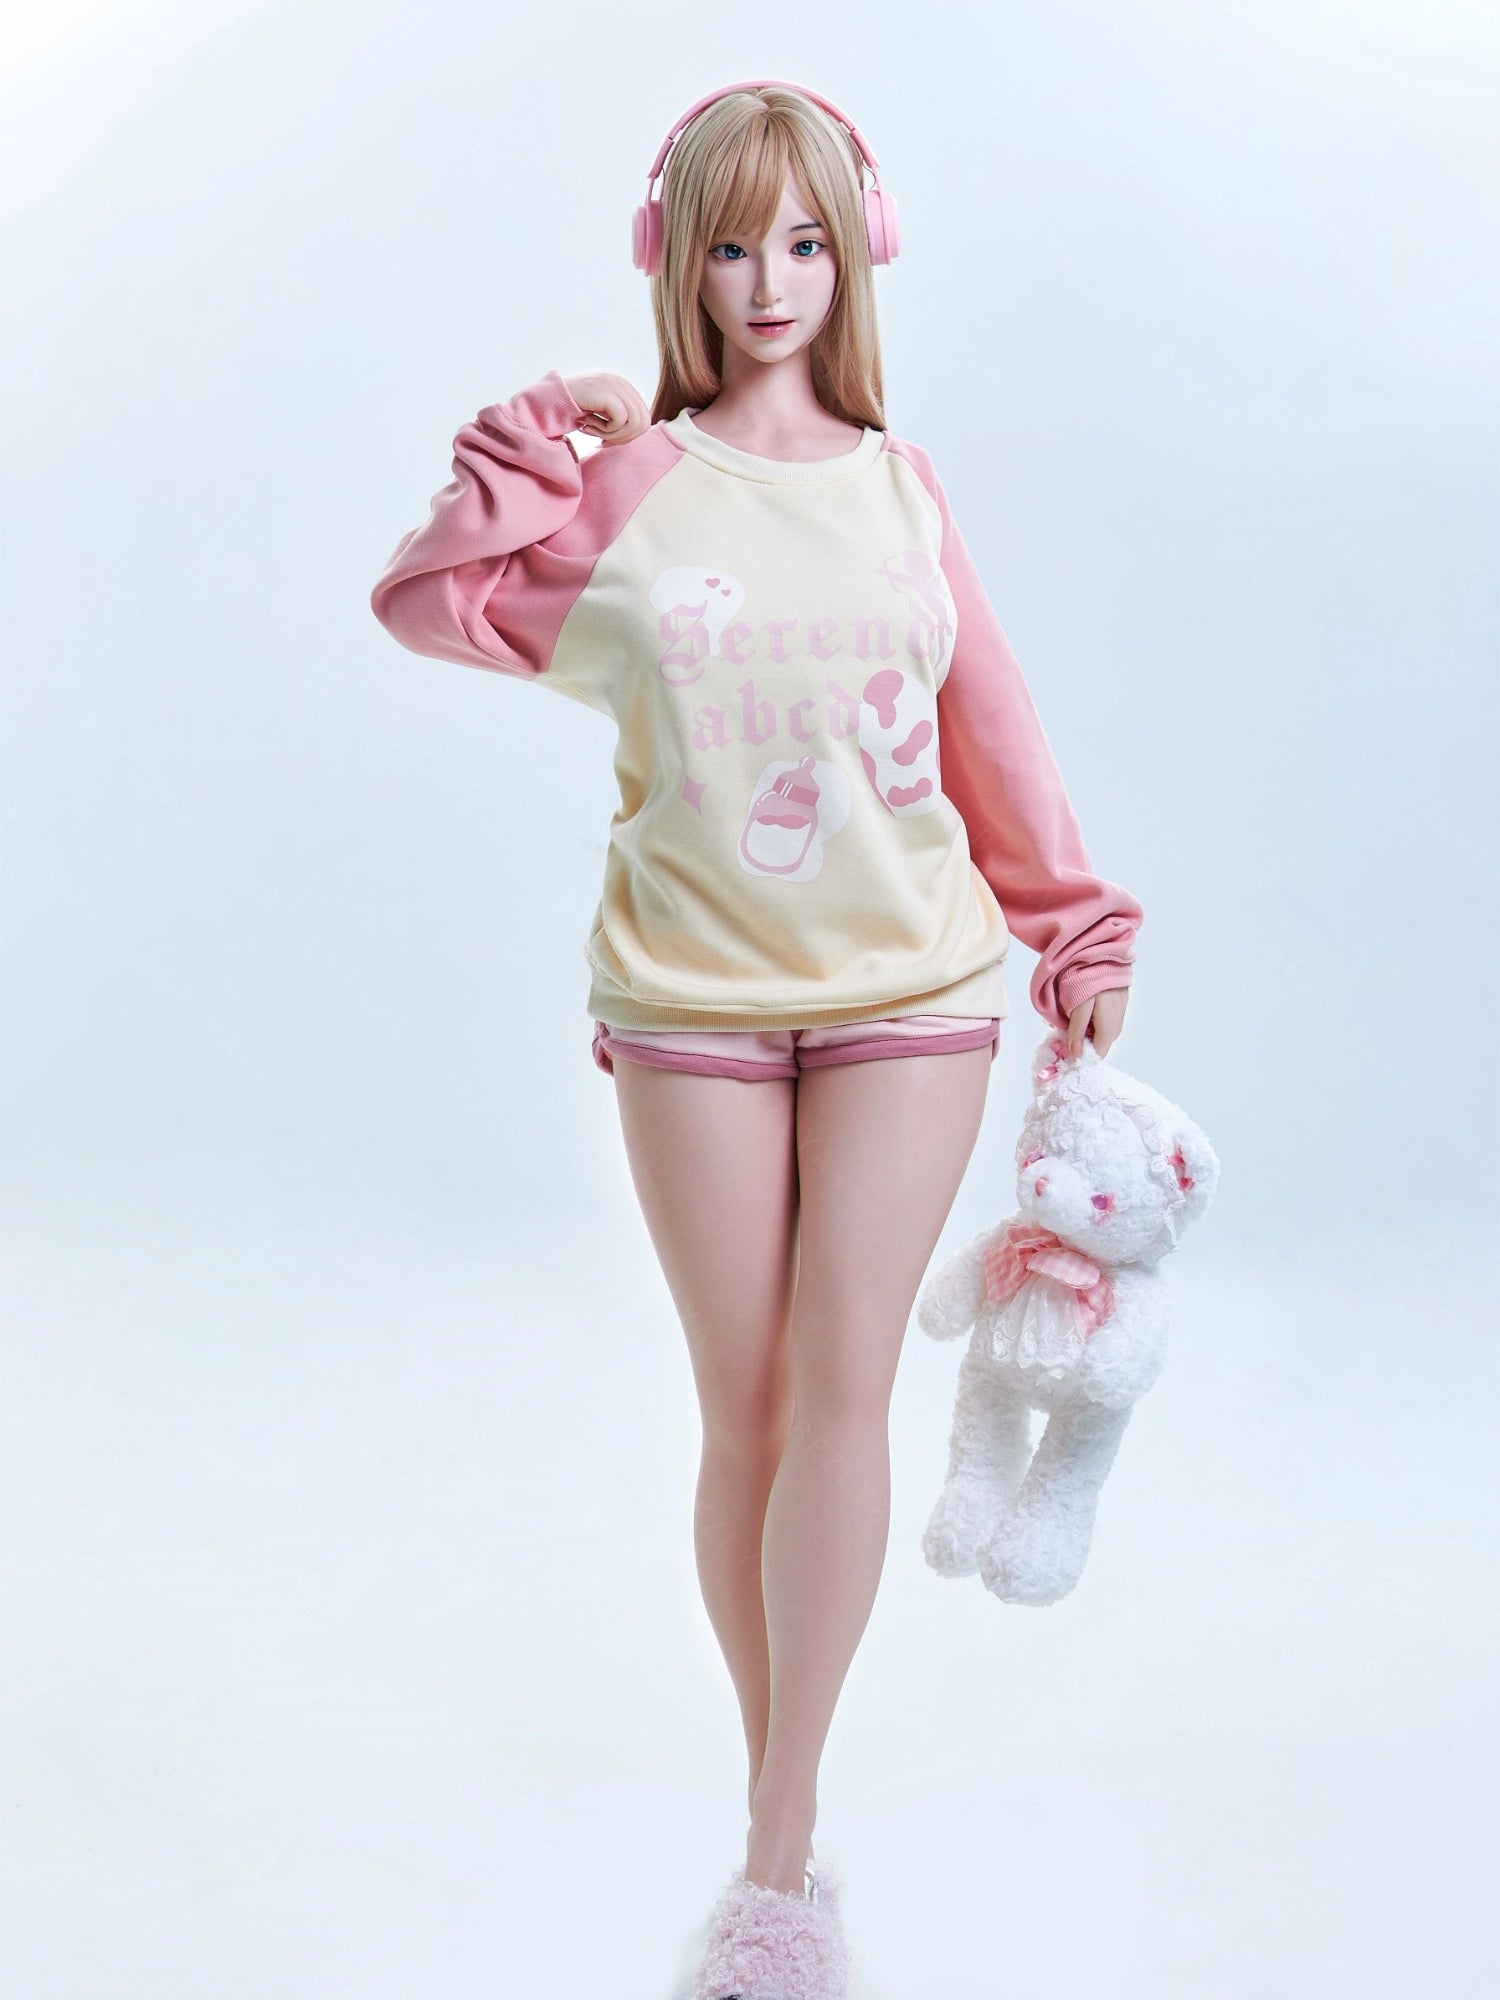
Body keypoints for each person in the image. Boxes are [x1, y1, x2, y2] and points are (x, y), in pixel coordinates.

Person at [370, 77, 1142, 1980]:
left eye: (805, 239)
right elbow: (431, 598)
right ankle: (774, 1812)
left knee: (844, 1376)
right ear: (675, 262)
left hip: (910, 994)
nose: (772, 278)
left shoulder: (900, 487)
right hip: (688, 999)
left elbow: (991, 728)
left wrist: (1072, 927)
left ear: (859, 250)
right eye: (730, 244)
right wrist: (547, 435)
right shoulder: (629, 493)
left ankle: (777, 1864)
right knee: (752, 1406)